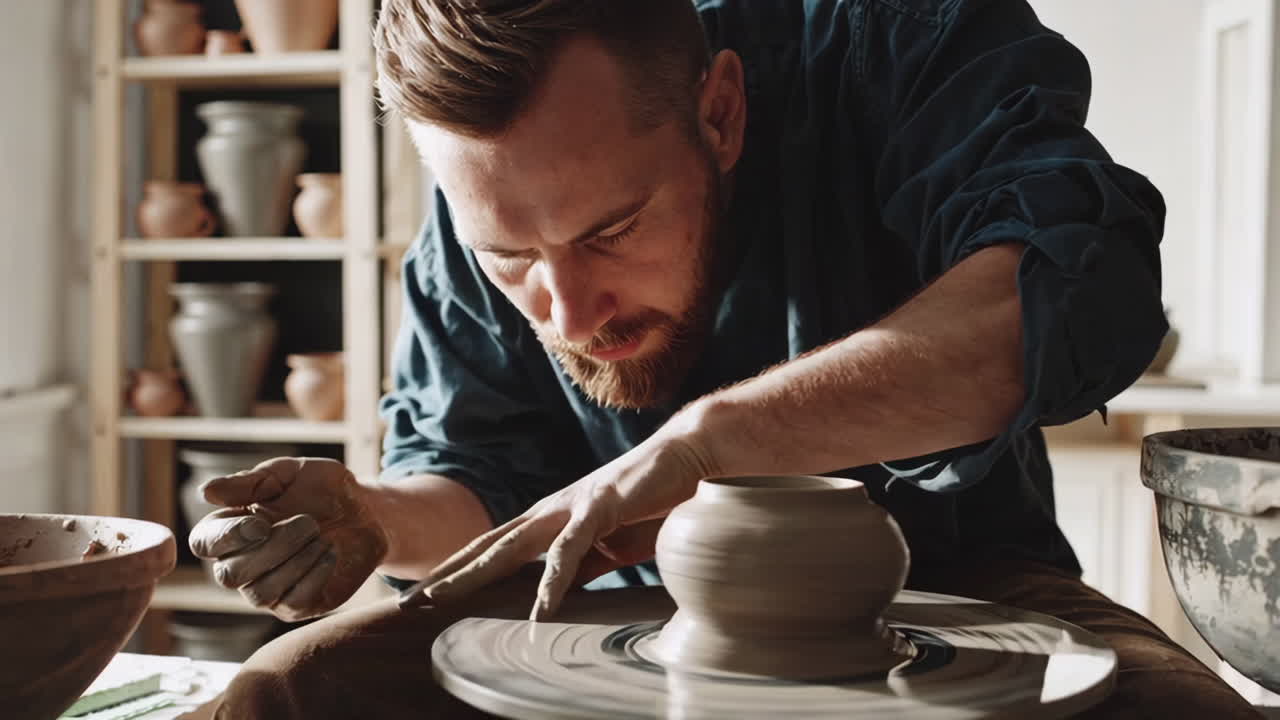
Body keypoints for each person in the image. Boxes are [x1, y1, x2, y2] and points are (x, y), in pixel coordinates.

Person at [191, 0, 1262, 717]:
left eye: (609, 231)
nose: (566, 308)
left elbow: (1071, 292)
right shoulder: (479, 209)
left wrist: (713, 443)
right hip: (601, 612)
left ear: (721, 110)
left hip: (960, 585)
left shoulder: (888, 38)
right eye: (511, 256)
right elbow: (485, 481)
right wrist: (378, 517)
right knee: (280, 692)